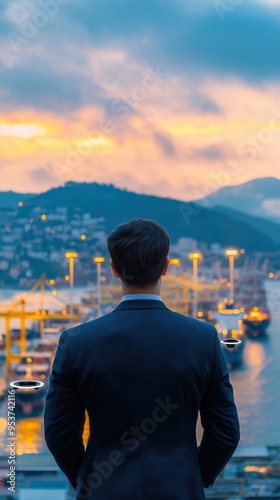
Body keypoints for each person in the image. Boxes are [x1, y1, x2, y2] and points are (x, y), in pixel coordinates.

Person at [44, 218, 240, 499]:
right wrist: (192, 475)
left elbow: (58, 434)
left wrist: (89, 477)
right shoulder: (203, 339)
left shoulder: (76, 342)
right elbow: (226, 434)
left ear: (113, 269)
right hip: (179, 488)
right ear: (165, 267)